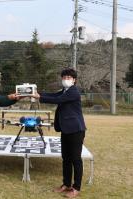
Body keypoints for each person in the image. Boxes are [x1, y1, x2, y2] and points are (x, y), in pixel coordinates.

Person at [33, 68, 86, 198]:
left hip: (76, 130)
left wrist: (39, 97)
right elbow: (54, 95)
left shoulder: (73, 92)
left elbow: (58, 100)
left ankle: (76, 187)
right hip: (66, 129)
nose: (66, 79)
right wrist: (37, 93)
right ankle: (66, 184)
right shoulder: (64, 90)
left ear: (74, 80)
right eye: (64, 77)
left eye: (69, 77)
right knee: (66, 158)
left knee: (75, 159)